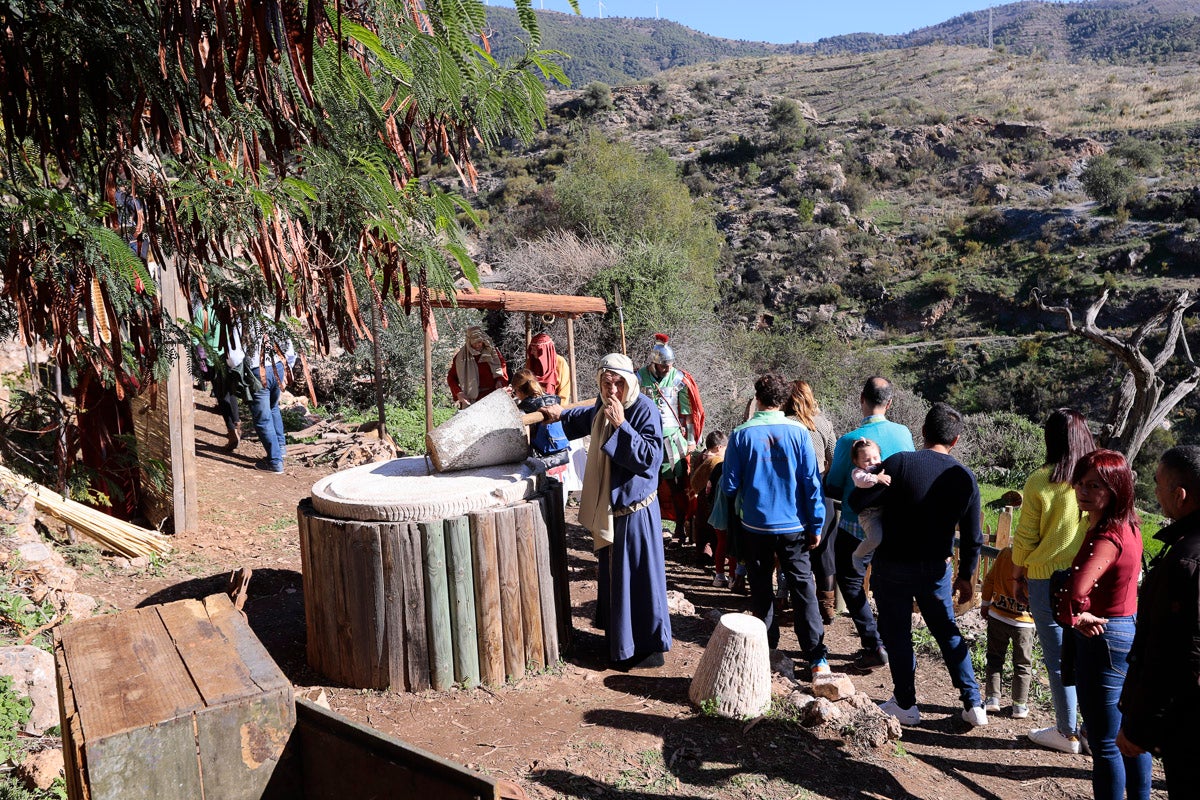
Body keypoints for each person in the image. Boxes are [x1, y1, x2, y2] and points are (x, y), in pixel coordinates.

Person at [856, 402, 988, 728]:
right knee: (946, 631)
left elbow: (859, 500)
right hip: (936, 569)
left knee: (897, 633)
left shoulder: (901, 463)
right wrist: (967, 576)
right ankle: (973, 702)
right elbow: (972, 537)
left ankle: (905, 703)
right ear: (955, 441)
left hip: (893, 565)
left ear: (923, 432)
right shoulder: (965, 477)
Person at [541, 353, 672, 669]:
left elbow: (649, 459)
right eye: (606, 382)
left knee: (640, 581)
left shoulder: (644, 410)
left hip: (637, 514)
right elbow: (587, 418)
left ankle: (647, 648)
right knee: (616, 579)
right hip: (612, 509)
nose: (612, 390)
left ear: (630, 383)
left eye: (618, 383)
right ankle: (620, 641)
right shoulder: (604, 406)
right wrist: (559, 415)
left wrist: (622, 425)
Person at [1059, 449, 1151, 800]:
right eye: (1081, 483)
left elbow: (1076, 591)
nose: (1083, 491)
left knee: (1105, 742)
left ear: (1117, 488)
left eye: (1095, 485)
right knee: (1126, 738)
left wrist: (1074, 615)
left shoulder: (1106, 537)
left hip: (1102, 637)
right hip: (1125, 627)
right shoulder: (1129, 523)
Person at [722, 374, 828, 675]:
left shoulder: (741, 434)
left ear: (758, 398)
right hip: (794, 525)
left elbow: (729, 485)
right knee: (803, 588)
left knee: (760, 587)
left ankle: (766, 649)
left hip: (755, 525)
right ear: (783, 400)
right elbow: (811, 483)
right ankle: (817, 657)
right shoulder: (799, 432)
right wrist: (816, 524)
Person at [1117, 445, 1200, 798]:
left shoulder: (1186, 560)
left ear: (1180, 496)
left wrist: (1139, 726)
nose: (1155, 493)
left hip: (1189, 722)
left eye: (1159, 485)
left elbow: (1173, 654)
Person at [1012, 408, 1094, 754]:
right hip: (1091, 578)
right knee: (1091, 655)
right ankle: (1092, 730)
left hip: (1046, 578)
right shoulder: (1098, 478)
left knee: (1059, 658)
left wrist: (1018, 575)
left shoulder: (1040, 481)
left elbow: (1026, 536)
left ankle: (1066, 731)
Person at [825, 377, 913, 669]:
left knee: (850, 581)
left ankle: (874, 644)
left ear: (861, 399)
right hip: (896, 524)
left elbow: (834, 485)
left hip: (855, 524)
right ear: (890, 403)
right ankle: (892, 641)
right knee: (886, 584)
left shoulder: (850, 440)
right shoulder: (904, 434)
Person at [636, 333, 704, 542]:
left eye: (670, 364)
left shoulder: (678, 379)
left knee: (678, 485)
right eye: (664, 365)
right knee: (650, 483)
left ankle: (680, 527)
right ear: (655, 363)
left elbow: (688, 413)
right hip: (647, 437)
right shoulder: (639, 377)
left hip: (673, 439)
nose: (668, 368)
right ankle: (651, 525)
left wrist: (691, 440)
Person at [784, 380, 839, 625]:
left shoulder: (785, 425)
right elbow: (834, 458)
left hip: (791, 492)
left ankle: (794, 600)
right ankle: (827, 606)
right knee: (825, 550)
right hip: (820, 488)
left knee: (794, 548)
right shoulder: (823, 424)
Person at [980, 545, 1035, 720]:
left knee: (995, 658)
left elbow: (989, 579)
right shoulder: (1036, 559)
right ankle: (1019, 705)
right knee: (1023, 664)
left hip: (998, 616)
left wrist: (985, 603)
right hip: (1024, 623)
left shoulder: (1005, 553)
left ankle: (992, 698)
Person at [243, 318, 296, 474]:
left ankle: (275, 462)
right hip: (277, 366)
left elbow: (235, 355)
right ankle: (281, 448)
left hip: (258, 372)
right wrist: (287, 369)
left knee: (262, 418)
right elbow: (289, 347)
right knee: (273, 408)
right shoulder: (270, 317)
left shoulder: (242, 321)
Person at [510, 369, 570, 472]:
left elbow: (525, 440)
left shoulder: (525, 408)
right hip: (563, 451)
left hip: (545, 455)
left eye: (514, 392)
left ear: (519, 390)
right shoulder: (554, 399)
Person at [689, 430, 727, 583]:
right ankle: (714, 558)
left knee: (701, 528)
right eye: (724, 448)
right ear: (718, 447)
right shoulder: (716, 461)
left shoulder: (700, 456)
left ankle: (702, 554)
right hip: (712, 501)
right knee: (714, 531)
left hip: (701, 500)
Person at [849, 438, 891, 573]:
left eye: (875, 457)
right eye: (867, 460)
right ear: (857, 462)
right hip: (869, 514)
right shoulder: (858, 473)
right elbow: (861, 481)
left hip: (882, 510)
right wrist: (876, 478)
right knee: (875, 538)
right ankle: (858, 555)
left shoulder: (883, 467)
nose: (873, 462)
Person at [447, 326, 508, 408]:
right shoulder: (460, 358)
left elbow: (502, 371)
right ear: (469, 341)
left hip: (493, 398)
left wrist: (500, 381)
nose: (477, 345)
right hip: (472, 401)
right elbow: (451, 378)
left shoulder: (493, 353)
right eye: (474, 343)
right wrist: (458, 393)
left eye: (479, 342)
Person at [525, 331, 572, 404]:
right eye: (531, 349)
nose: (531, 352)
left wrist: (559, 411)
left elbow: (564, 393)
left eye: (535, 349)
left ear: (543, 351)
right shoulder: (531, 362)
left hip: (555, 407)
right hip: (534, 407)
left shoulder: (560, 362)